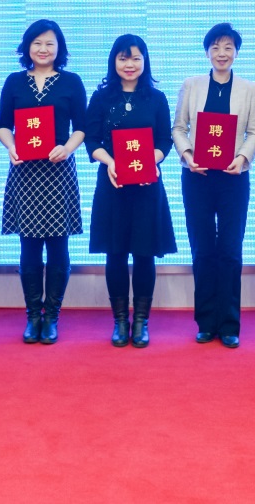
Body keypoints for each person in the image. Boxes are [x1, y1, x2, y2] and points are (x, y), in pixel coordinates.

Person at [172, 22, 255, 349]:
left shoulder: (249, 89)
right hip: (197, 177)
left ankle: (229, 323)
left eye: (228, 47)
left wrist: (242, 157)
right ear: (207, 52)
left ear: (236, 52)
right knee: (202, 250)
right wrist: (187, 155)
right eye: (215, 47)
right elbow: (178, 127)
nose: (221, 53)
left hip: (233, 178)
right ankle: (206, 321)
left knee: (230, 250)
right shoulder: (191, 85)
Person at [0, 20, 87, 344]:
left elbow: (82, 127)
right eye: (37, 43)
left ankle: (52, 316)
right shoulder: (14, 81)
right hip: (25, 171)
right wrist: (11, 146)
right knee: (29, 246)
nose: (43, 49)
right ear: (27, 47)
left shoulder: (71, 82)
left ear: (59, 48)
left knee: (59, 246)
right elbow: (3, 125)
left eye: (50, 43)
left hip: (58, 171)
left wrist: (68, 148)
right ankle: (33, 315)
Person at [86, 34, 175, 348]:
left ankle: (141, 322)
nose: (130, 64)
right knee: (116, 253)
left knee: (144, 253)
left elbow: (164, 140)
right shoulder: (101, 97)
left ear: (145, 61)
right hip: (113, 184)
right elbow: (92, 140)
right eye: (124, 58)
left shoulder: (156, 98)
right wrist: (110, 162)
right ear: (114, 61)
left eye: (136, 58)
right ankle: (120, 321)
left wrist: (153, 159)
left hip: (147, 185)